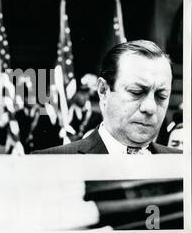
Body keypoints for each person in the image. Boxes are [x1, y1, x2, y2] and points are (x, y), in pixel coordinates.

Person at [33, 40, 182, 154]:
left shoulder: (182, 164)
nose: (150, 107)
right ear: (103, 91)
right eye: (136, 92)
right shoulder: (51, 164)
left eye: (161, 96)